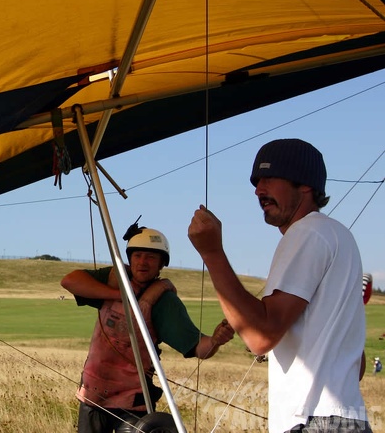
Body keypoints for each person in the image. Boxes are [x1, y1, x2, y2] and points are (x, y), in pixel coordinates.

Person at [188, 138, 372, 433]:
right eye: (257, 181)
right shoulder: (337, 237)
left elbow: (260, 337)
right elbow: (357, 367)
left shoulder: (308, 233)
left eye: (270, 179)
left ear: (305, 185)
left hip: (315, 421)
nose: (259, 190)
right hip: (342, 418)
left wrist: (211, 252)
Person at [61, 223, 234, 433]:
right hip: (93, 395)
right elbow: (70, 281)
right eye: (138, 255)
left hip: (132, 404)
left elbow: (199, 348)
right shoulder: (115, 279)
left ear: (161, 264)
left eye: (151, 257)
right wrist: (120, 295)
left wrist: (216, 339)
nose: (143, 262)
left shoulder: (164, 302)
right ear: (130, 259)